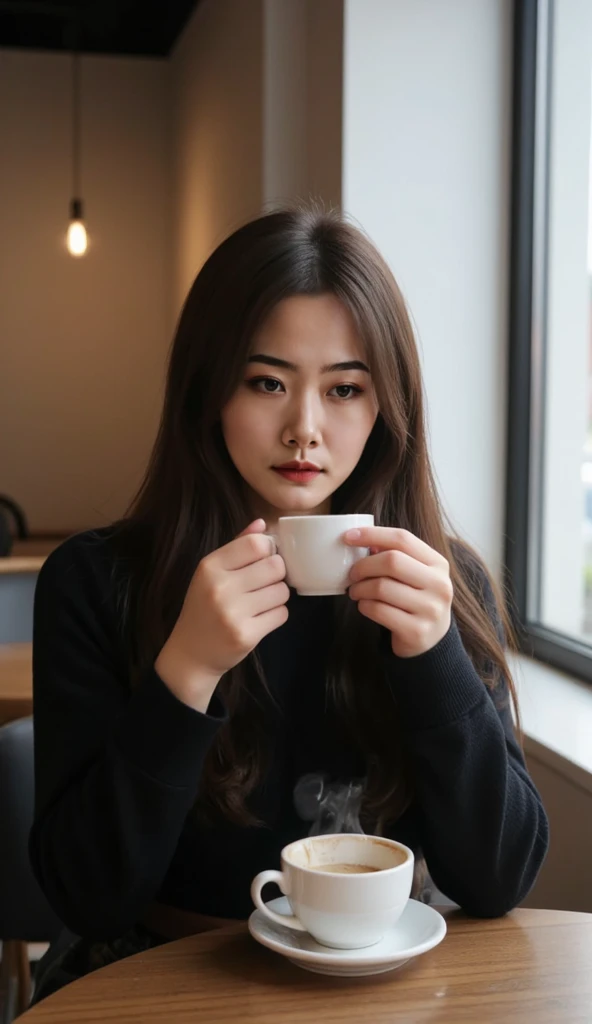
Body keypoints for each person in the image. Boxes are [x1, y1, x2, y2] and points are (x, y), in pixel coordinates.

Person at [29, 206, 548, 1000]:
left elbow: (499, 879)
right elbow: (90, 899)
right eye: (267, 381)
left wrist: (435, 658)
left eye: (345, 389)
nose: (304, 430)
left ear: (385, 411)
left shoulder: (438, 583)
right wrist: (188, 669)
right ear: (210, 393)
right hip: (159, 982)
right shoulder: (98, 582)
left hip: (391, 987)